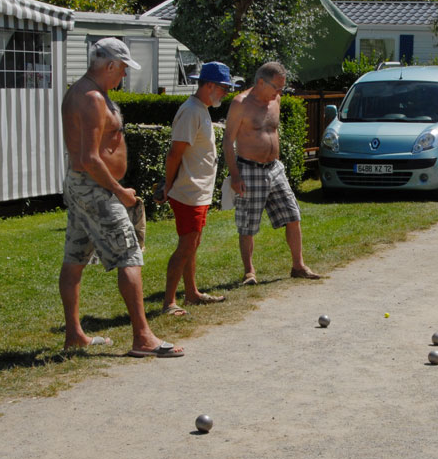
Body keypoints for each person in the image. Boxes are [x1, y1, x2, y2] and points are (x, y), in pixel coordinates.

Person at [59, 37, 184, 357]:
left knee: (75, 257)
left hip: (81, 185)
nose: (124, 75)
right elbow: (90, 158)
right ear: (110, 64)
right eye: (123, 68)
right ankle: (142, 338)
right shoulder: (91, 98)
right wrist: (120, 192)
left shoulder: (82, 92)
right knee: (129, 254)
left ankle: (74, 335)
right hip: (95, 188)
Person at [223, 61, 321, 285]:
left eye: (282, 88)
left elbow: (272, 130)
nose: (279, 93)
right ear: (260, 82)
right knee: (248, 224)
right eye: (276, 87)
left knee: (293, 215)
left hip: (275, 168)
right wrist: (235, 175)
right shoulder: (240, 104)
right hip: (249, 169)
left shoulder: (275, 100)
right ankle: (249, 272)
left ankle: (298, 266)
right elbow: (228, 141)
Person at [159, 62, 237, 316]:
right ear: (210, 86)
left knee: (193, 243)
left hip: (197, 190)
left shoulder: (201, 109)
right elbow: (175, 154)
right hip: (188, 191)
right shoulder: (191, 111)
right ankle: (169, 302)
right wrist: (168, 185)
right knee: (186, 245)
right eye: (224, 89)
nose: (225, 94)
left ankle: (191, 293)